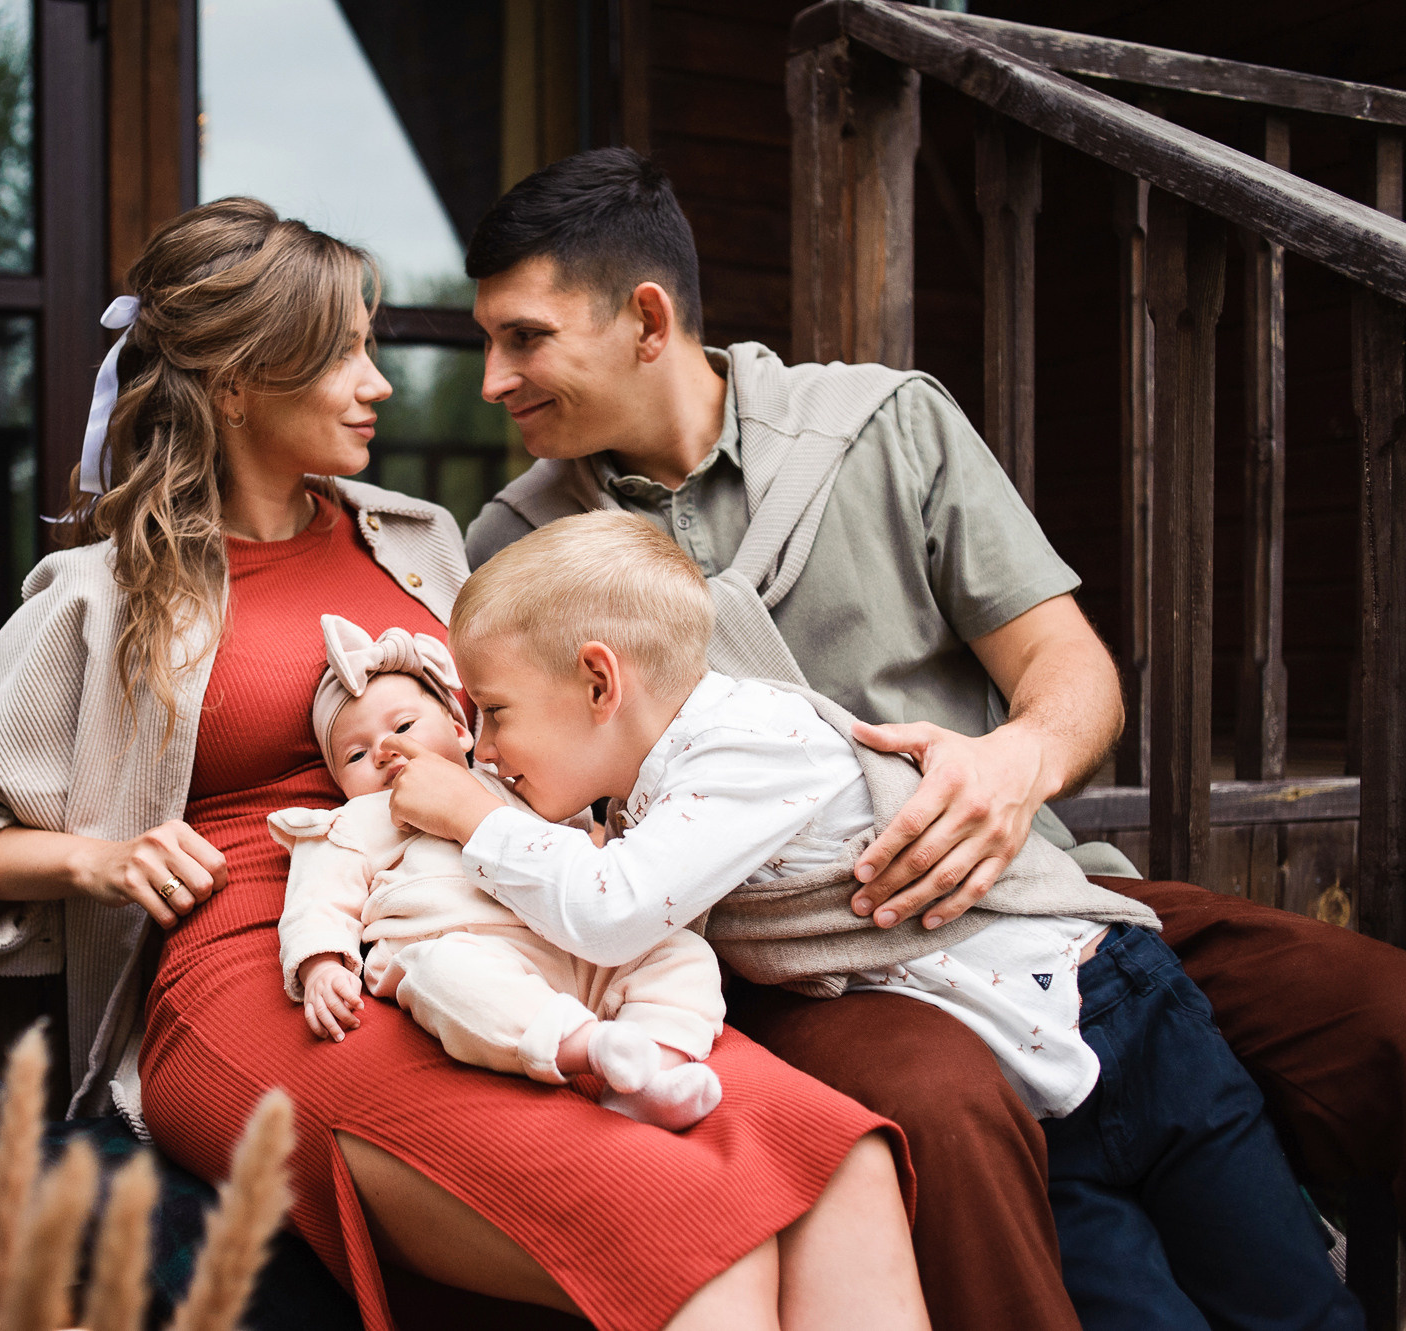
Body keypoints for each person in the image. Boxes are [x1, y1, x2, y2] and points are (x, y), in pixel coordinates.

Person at [0, 197, 931, 1330]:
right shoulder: (106, 594)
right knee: (682, 1219)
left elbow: (577, 713)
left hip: (503, 919)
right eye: (342, 354)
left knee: (841, 1160)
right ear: (236, 385)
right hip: (280, 971)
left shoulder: (419, 537)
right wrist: (96, 858)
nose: (378, 382)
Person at [460, 146, 1406, 1330]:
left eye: (523, 338)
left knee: (1374, 1011)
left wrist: (1011, 766)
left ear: (646, 319)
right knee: (945, 1100)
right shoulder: (514, 549)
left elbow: (1068, 669)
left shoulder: (881, 425)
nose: (491, 378)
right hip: (805, 964)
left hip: (1027, 896)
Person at [391, 510, 1359, 1331]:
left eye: (494, 712)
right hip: (1034, 1099)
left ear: (600, 683)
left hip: (1124, 1020)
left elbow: (613, 910)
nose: (483, 750)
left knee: (1286, 1302)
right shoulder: (645, 776)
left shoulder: (746, 745)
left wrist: (473, 817)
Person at [275, 614, 727, 1129]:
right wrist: (321, 966)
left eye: (403, 727)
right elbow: (316, 899)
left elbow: (580, 842)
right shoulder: (355, 820)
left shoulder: (516, 782)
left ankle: (657, 1069)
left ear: (459, 730)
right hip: (469, 950)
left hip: (574, 944)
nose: (384, 751)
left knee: (680, 950)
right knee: (441, 977)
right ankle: (592, 1048)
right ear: (340, 784)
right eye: (356, 754)